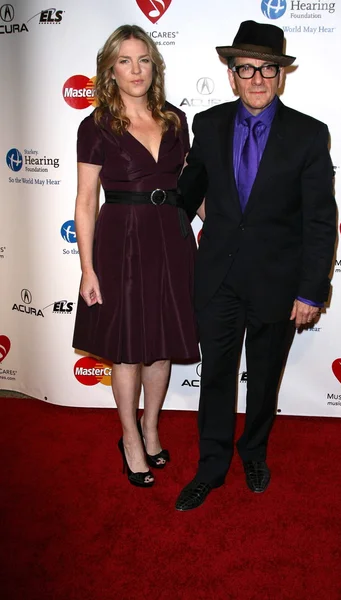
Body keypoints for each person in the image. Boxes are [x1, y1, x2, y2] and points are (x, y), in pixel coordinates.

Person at [175, 21, 337, 510]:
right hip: (218, 278)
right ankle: (212, 465)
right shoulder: (208, 123)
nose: (258, 79)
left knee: (265, 378)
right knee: (217, 378)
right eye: (246, 69)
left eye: (268, 68)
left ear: (281, 75)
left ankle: (254, 452)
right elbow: (190, 190)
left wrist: (311, 290)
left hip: (277, 282)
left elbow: (320, 219)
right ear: (231, 76)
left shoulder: (309, 135)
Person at [72, 24, 199, 489]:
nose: (136, 70)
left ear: (154, 65)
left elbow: (191, 189)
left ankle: (150, 426)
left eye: (143, 59)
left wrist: (231, 224)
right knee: (127, 350)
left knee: (160, 345)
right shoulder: (96, 126)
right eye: (124, 61)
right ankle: (129, 438)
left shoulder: (174, 119)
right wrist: (87, 268)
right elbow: (87, 200)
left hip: (171, 237)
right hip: (121, 242)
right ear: (110, 70)